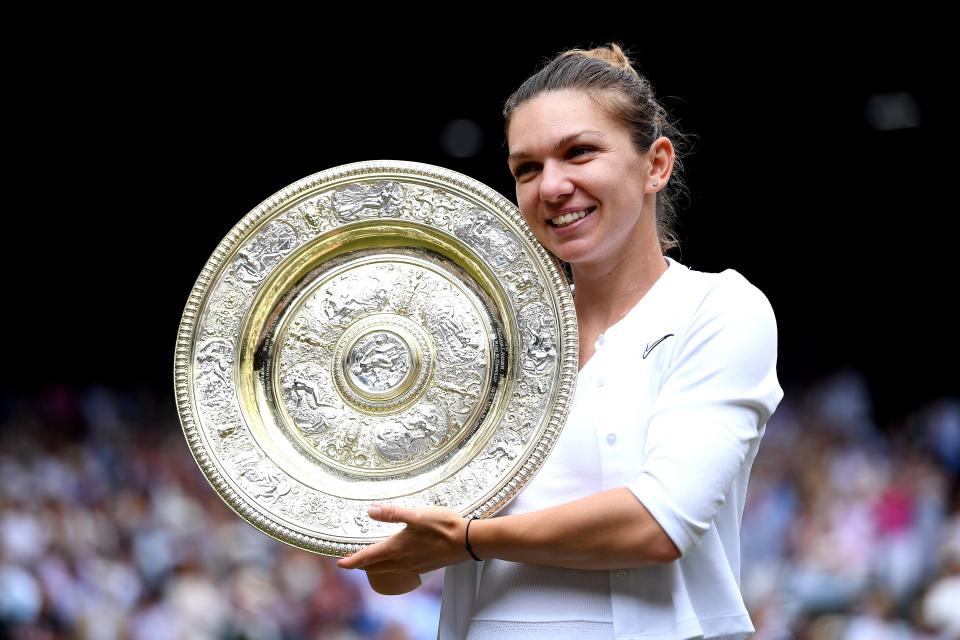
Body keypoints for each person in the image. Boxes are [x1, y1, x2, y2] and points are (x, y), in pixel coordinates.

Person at [337, 43, 784, 640]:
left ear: (656, 164)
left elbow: (655, 525)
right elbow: (399, 570)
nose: (551, 186)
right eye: (527, 168)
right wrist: (366, 517)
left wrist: (468, 541)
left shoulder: (720, 308)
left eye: (579, 153)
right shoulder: (484, 344)